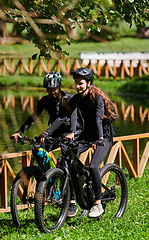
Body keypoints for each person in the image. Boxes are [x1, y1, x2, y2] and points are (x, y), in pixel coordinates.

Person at [50, 67, 117, 218]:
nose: (77, 86)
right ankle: (72, 200)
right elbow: (62, 117)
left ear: (89, 83)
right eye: (76, 83)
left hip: (103, 135)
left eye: (80, 83)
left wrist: (99, 139)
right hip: (88, 134)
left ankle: (98, 203)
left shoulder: (97, 98)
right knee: (68, 156)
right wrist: (47, 133)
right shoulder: (77, 99)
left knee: (93, 165)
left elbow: (99, 118)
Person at [11, 71, 79, 165]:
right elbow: (33, 118)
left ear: (60, 86)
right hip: (56, 132)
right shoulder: (45, 100)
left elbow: (62, 118)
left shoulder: (68, 99)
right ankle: (47, 176)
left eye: (54, 89)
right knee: (36, 147)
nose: (52, 92)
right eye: (49, 89)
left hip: (71, 133)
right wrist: (19, 132)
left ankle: (77, 177)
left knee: (66, 162)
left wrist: (47, 133)